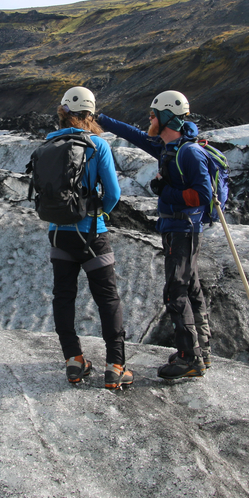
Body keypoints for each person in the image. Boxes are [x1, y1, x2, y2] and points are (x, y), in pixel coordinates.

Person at [97, 90, 226, 381]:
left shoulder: (188, 152)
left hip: (183, 230)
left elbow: (203, 195)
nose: (150, 119)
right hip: (181, 229)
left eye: (154, 115)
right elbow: (137, 137)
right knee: (190, 289)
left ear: (167, 116)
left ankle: (188, 357)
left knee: (176, 291)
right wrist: (103, 120)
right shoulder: (171, 148)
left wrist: (163, 190)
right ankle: (199, 351)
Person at [42, 86, 132, 390]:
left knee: (63, 297)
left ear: (63, 111)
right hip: (92, 235)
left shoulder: (48, 143)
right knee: (107, 298)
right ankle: (115, 365)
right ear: (90, 114)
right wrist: (97, 213)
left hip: (59, 235)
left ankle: (74, 361)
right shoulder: (98, 145)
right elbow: (114, 194)